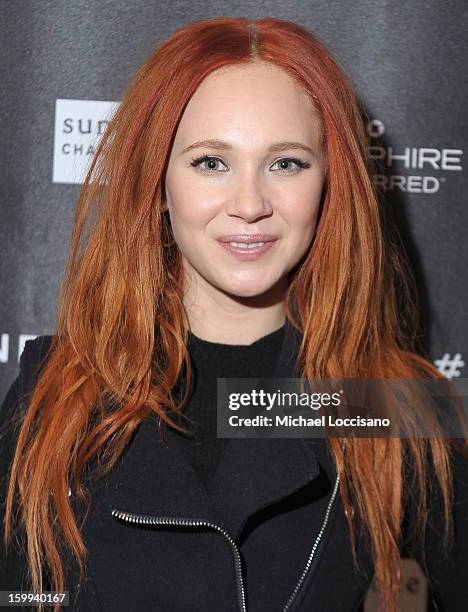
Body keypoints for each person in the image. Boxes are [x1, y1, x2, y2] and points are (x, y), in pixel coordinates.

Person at [0, 16, 466, 612]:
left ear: (330, 184)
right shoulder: (54, 395)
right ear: (158, 183)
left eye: (286, 163)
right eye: (211, 163)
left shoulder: (392, 404)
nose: (249, 205)